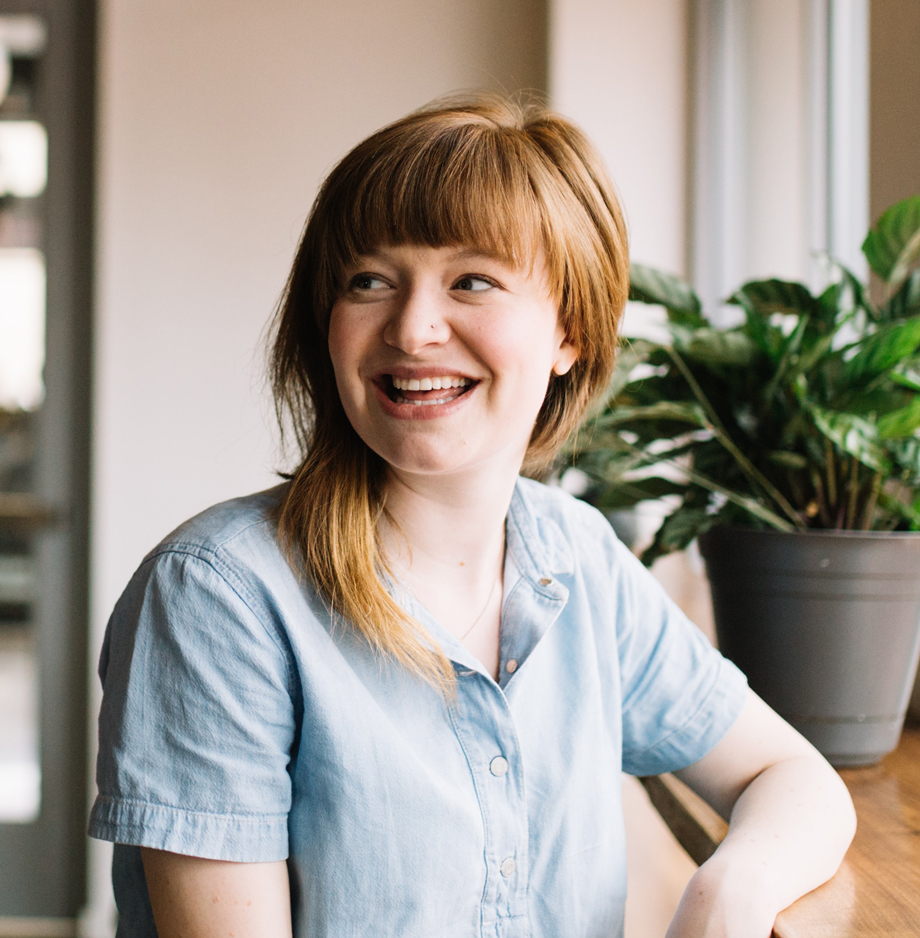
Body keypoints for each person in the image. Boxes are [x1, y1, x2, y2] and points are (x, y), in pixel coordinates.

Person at [89, 96, 855, 938]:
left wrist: (726, 894)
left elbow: (791, 776)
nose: (413, 329)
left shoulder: (578, 557)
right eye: (369, 280)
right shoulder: (219, 597)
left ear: (570, 330)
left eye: (473, 281)